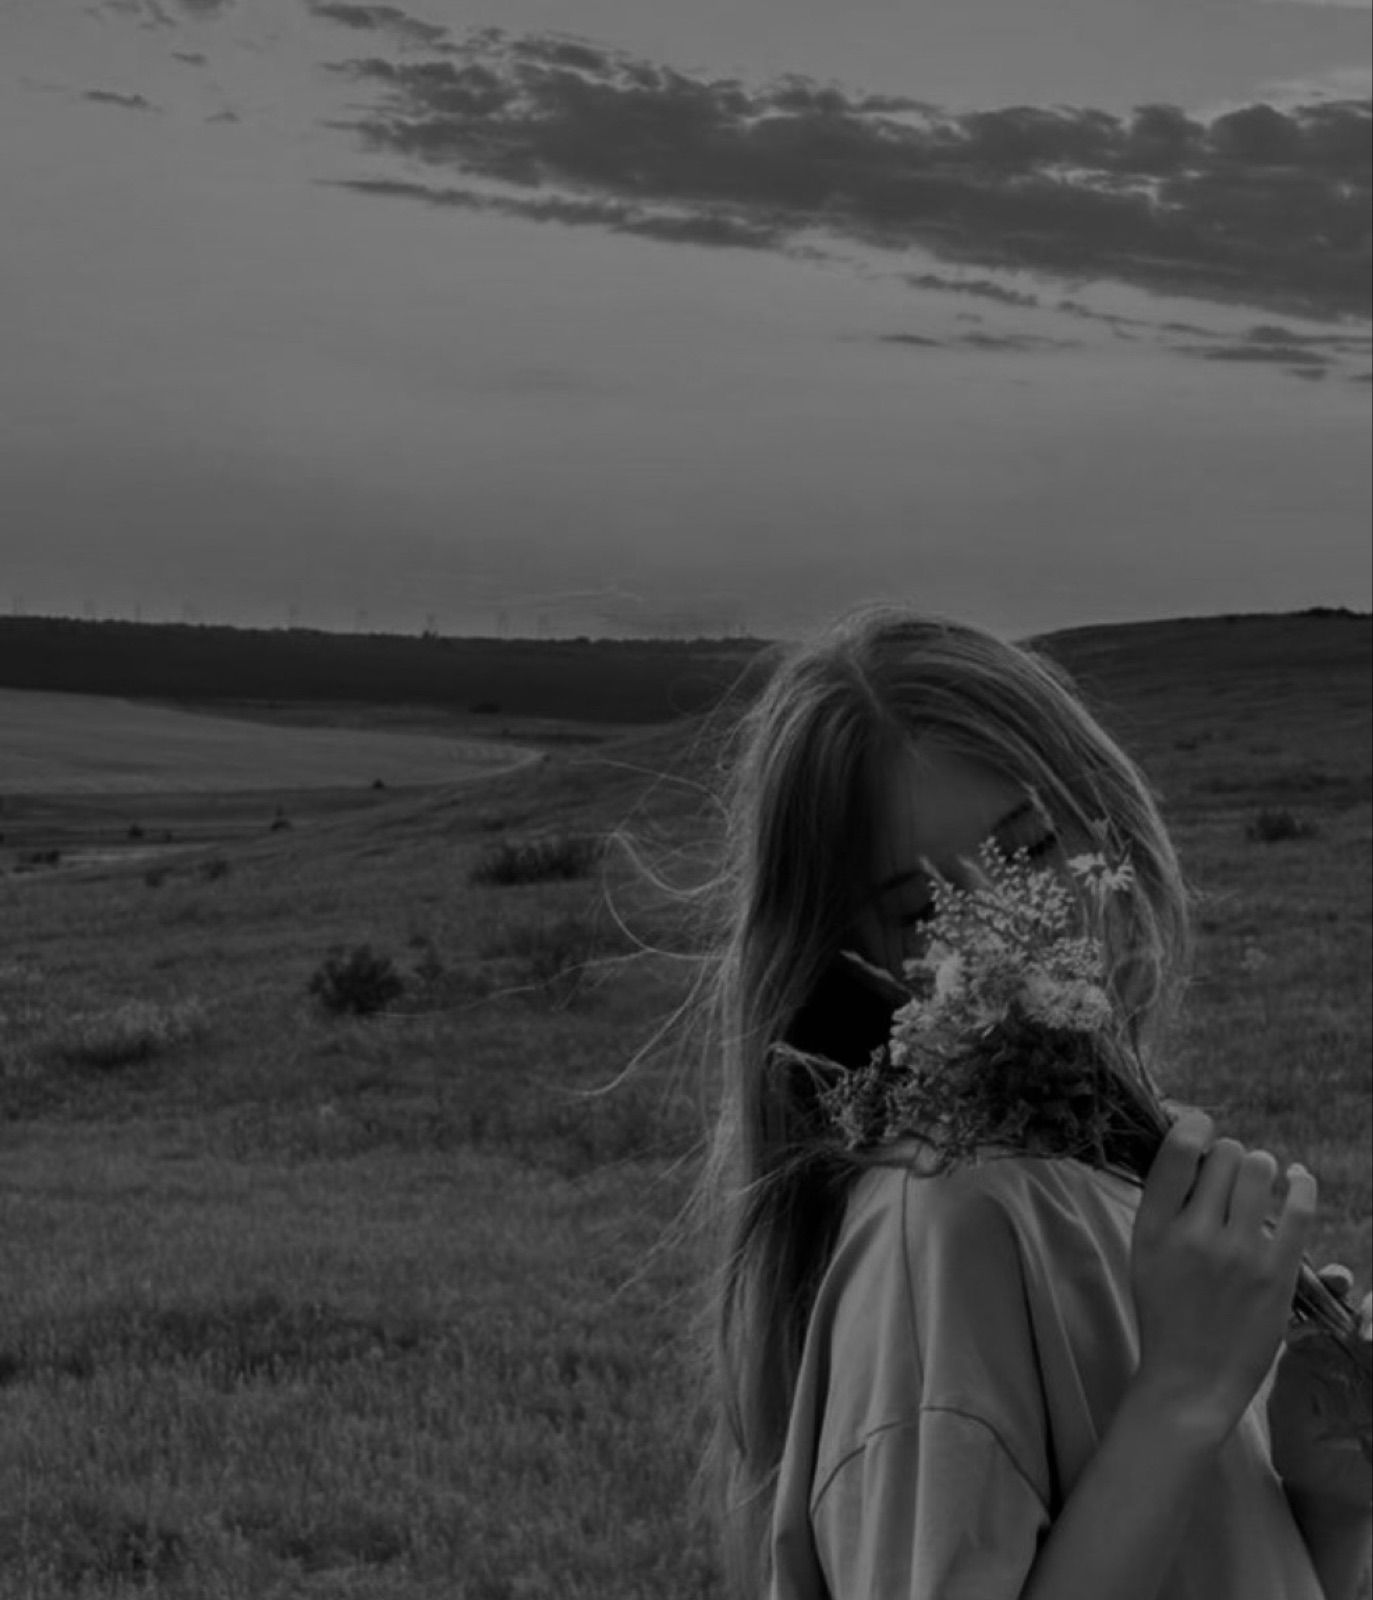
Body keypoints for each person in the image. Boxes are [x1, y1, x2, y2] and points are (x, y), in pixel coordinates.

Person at [684, 606, 1372, 1600]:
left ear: (1102, 821)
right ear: (847, 957)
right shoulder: (940, 1228)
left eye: (1032, 845)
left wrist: (1327, 1501)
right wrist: (1182, 1395)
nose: (1005, 923)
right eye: (923, 909)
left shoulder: (1098, 1170)